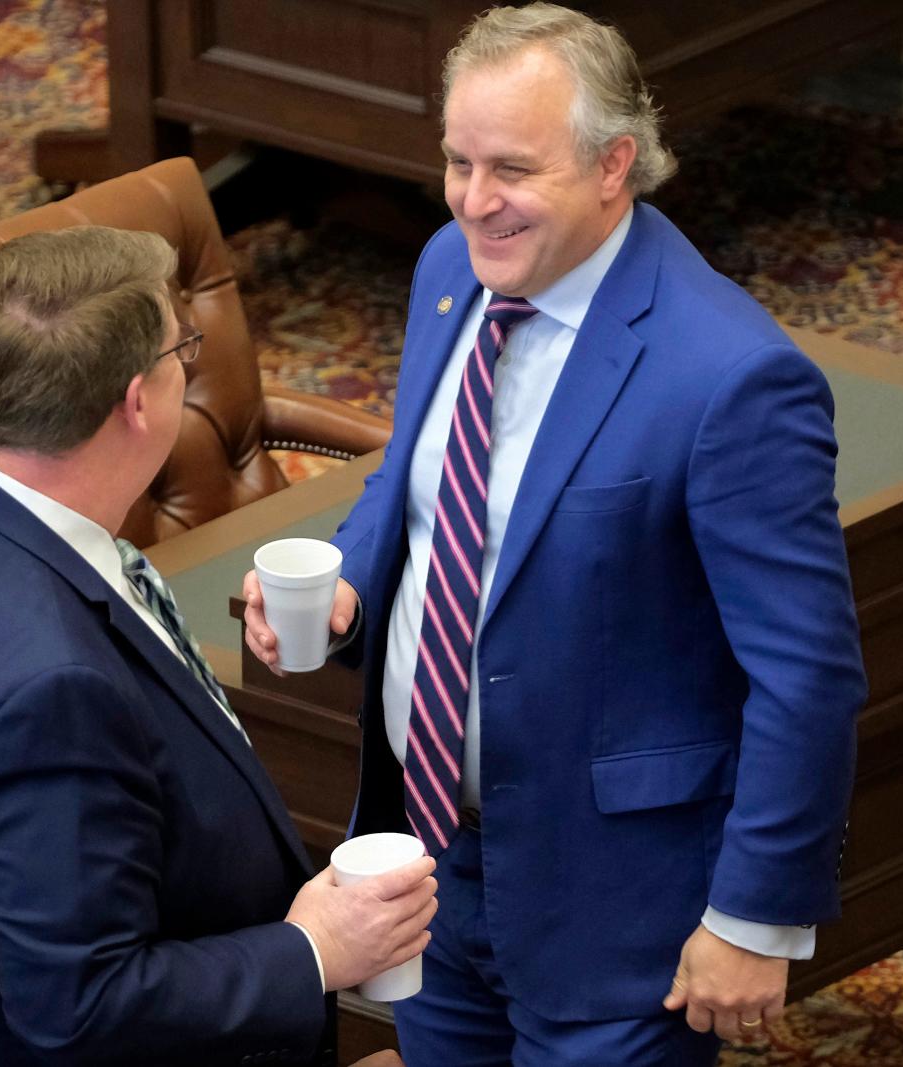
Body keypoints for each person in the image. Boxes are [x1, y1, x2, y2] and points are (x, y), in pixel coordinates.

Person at [242, 5, 867, 1064]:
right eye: (456, 161)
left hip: (612, 908)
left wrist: (750, 918)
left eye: (513, 170)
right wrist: (349, 573)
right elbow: (418, 470)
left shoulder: (730, 380)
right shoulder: (452, 267)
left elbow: (808, 674)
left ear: (614, 163)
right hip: (428, 865)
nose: (475, 202)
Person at [0, 225, 436, 1067]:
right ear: (138, 399)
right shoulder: (52, 692)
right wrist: (312, 946)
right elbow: (81, 1005)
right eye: (184, 350)